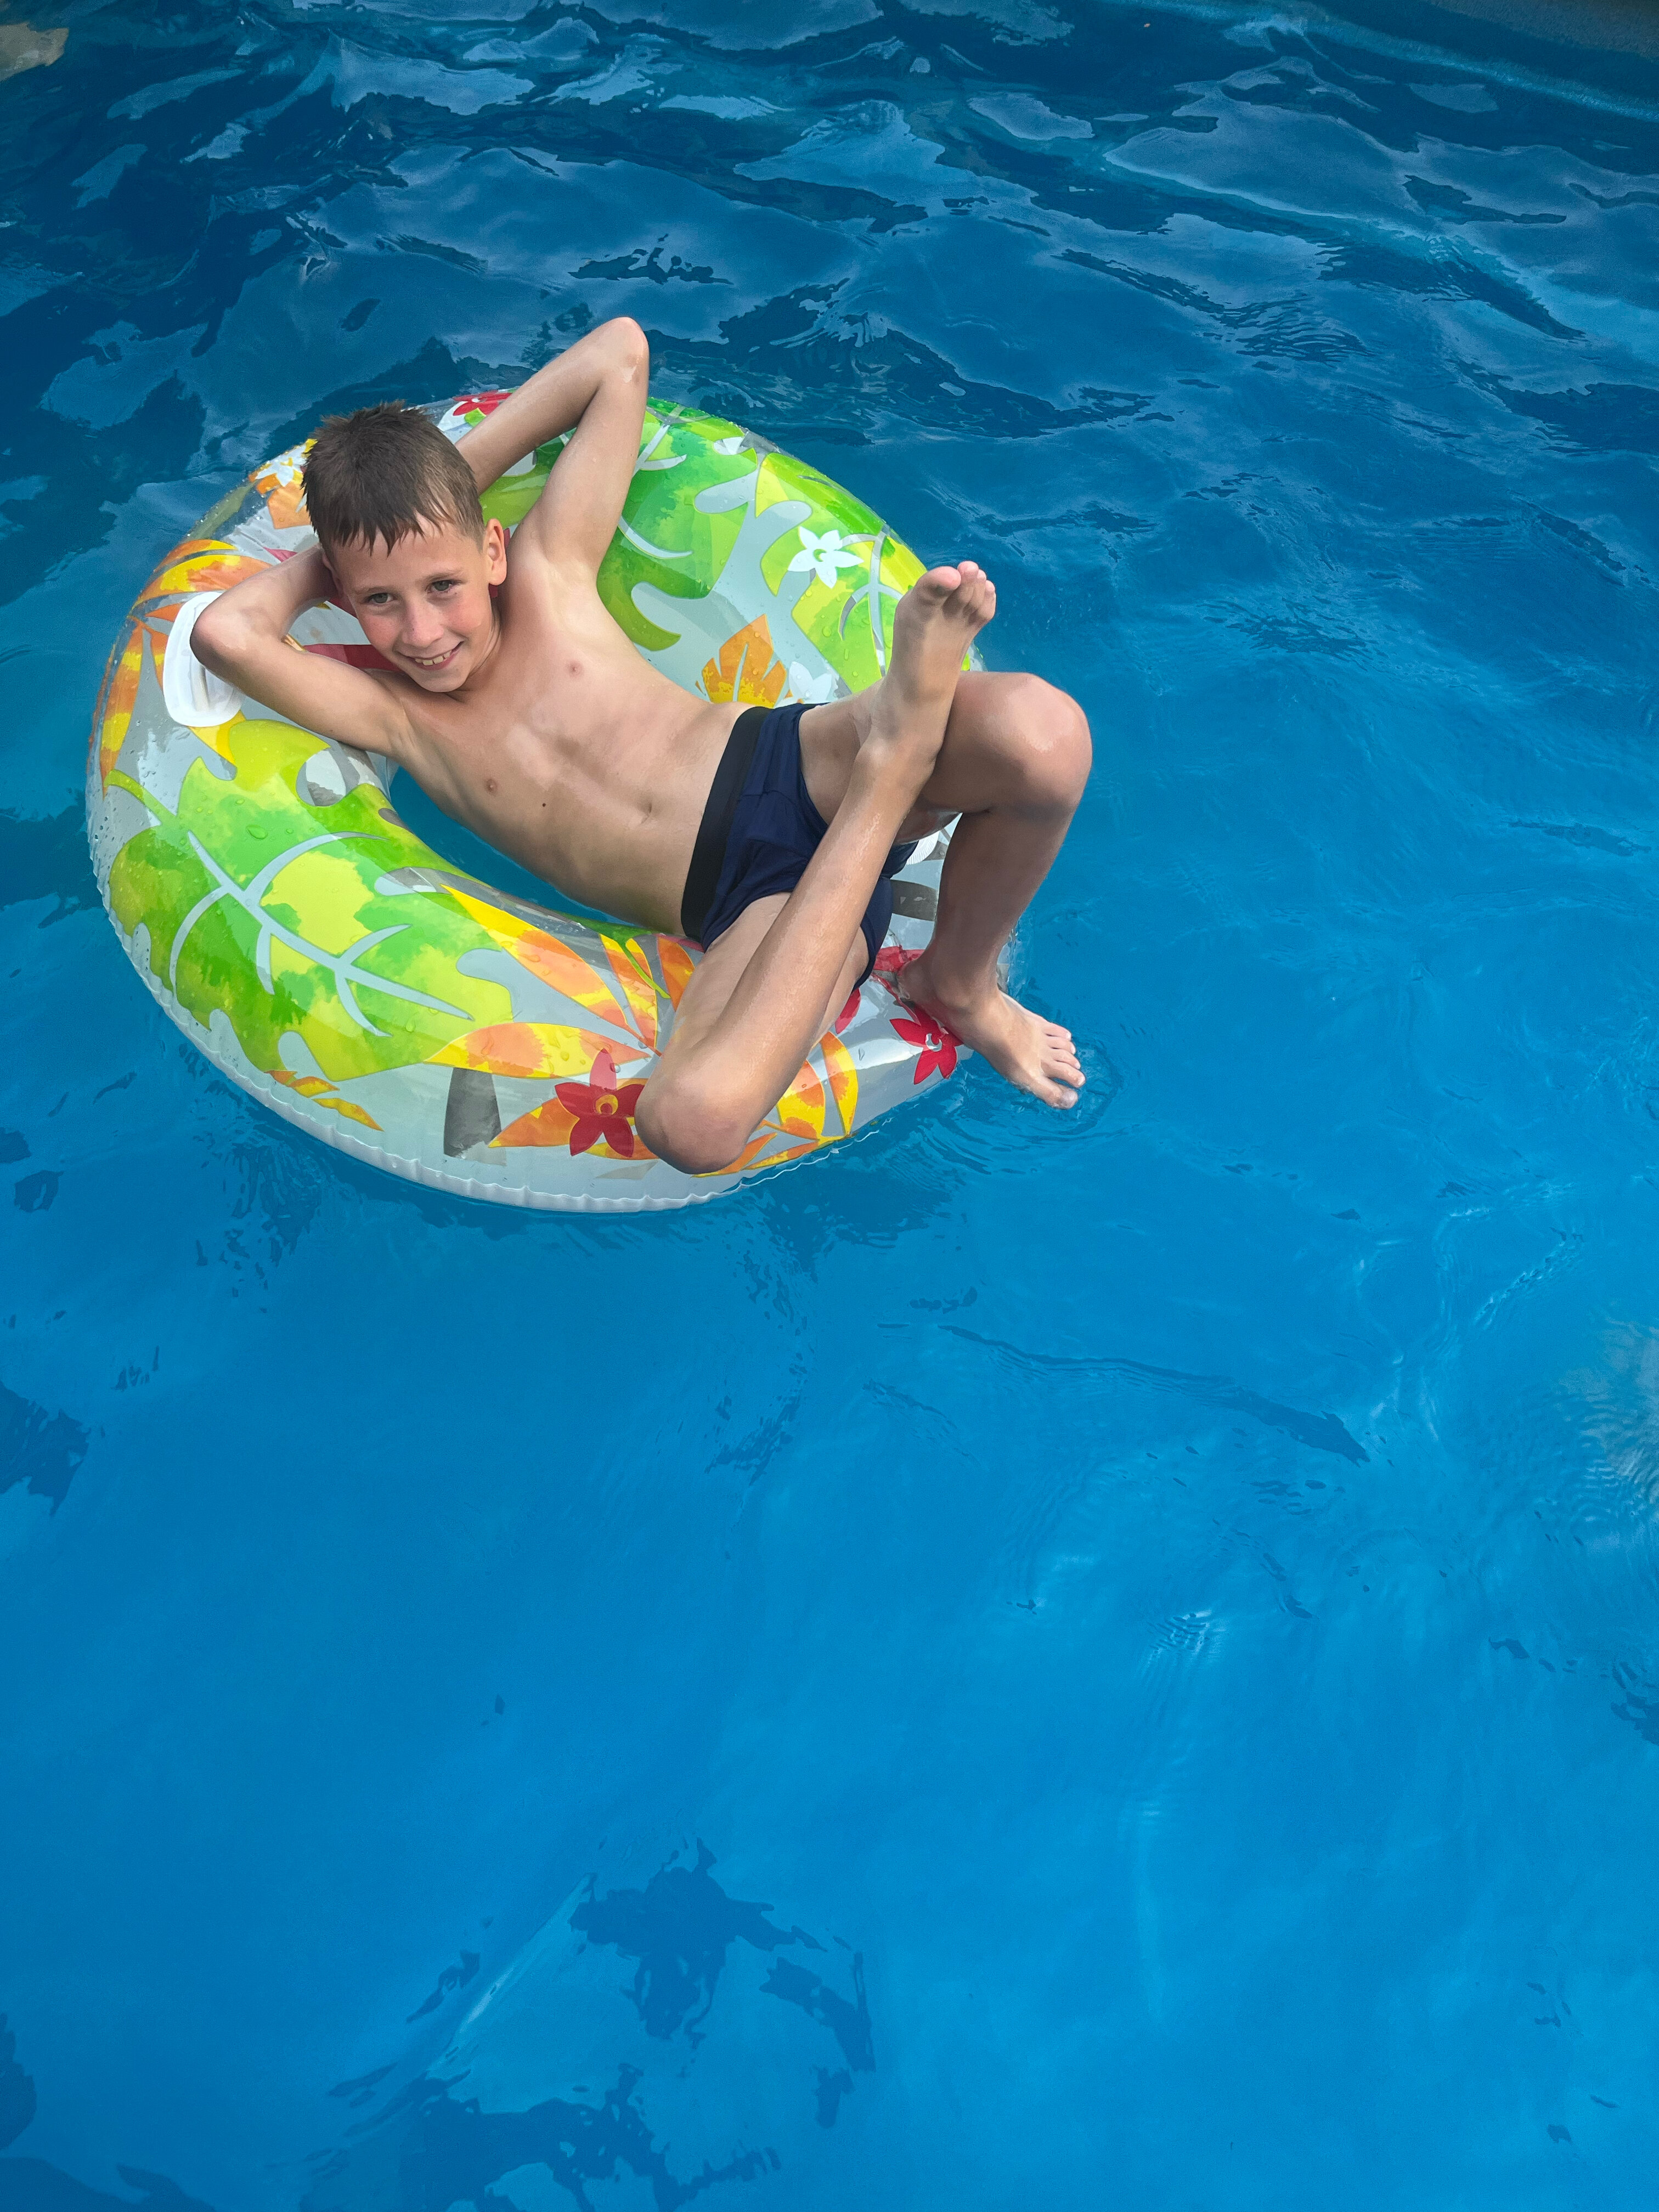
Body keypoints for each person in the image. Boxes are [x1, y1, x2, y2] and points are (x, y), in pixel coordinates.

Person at [193, 317, 1090, 1176]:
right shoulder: (397, 716)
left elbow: (618, 355)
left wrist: (436, 501)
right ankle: (892, 776)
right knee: (691, 1123)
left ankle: (959, 983)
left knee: (1045, 738)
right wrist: (340, 558)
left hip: (794, 762)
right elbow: (226, 636)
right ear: (346, 598)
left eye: (442, 584)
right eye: (380, 602)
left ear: (491, 551)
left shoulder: (548, 572)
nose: (423, 632)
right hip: (754, 908)